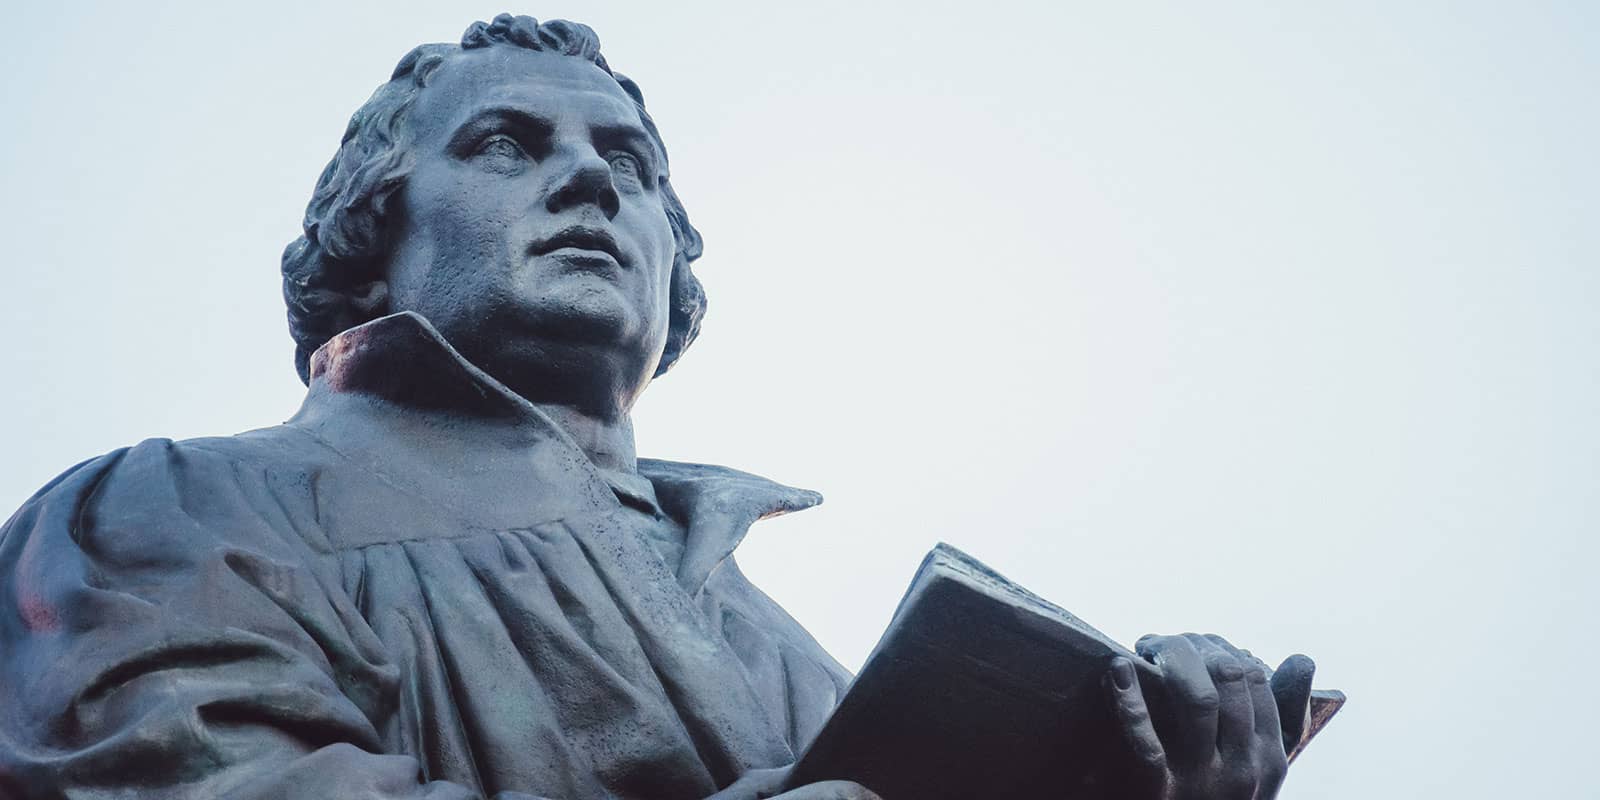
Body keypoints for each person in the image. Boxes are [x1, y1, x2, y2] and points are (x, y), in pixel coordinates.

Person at [0, 14, 1313, 800]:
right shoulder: (177, 506)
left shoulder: (781, 644)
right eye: (508, 144)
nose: (589, 183)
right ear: (372, 235)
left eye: (625, 164)